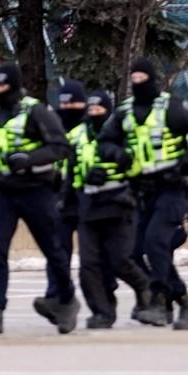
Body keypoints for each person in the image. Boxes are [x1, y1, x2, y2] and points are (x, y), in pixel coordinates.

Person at [0, 62, 75, 336]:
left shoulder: (35, 111)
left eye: (3, 85)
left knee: (52, 249)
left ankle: (66, 299)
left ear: (14, 86)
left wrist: (31, 159)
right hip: (3, 192)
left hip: (35, 190)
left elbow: (60, 147)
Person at [101, 58, 188, 330]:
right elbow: (105, 141)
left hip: (172, 187)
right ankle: (181, 300)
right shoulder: (124, 112)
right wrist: (118, 155)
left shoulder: (170, 107)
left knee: (156, 242)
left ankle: (158, 301)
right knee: (133, 251)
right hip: (140, 190)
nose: (138, 83)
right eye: (133, 78)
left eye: (142, 78)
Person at [69, 88, 155, 329]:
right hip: (88, 205)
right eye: (91, 109)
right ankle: (102, 311)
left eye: (100, 109)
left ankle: (143, 287)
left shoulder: (123, 134)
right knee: (88, 264)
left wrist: (121, 182)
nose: (94, 113)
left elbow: (137, 165)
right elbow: (70, 169)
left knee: (119, 260)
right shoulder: (77, 135)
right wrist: (68, 197)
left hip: (118, 204)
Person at [53, 78, 89, 320]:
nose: (67, 107)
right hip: (60, 198)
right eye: (63, 103)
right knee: (57, 251)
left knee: (92, 257)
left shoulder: (92, 127)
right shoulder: (54, 126)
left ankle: (105, 295)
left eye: (72, 103)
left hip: (87, 198)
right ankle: (57, 297)